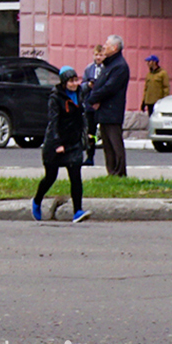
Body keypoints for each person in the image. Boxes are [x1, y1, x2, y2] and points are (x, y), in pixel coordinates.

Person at [32, 67, 91, 223]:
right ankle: (37, 201)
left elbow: (83, 116)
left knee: (76, 177)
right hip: (56, 144)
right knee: (51, 177)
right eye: (71, 81)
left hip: (74, 142)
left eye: (76, 80)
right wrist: (57, 143)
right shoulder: (55, 98)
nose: (74, 84)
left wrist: (87, 136)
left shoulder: (80, 93)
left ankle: (77, 211)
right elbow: (54, 122)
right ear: (64, 83)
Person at [87, 36, 130, 177]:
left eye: (107, 45)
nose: (104, 47)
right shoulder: (109, 64)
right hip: (104, 110)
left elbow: (109, 88)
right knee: (107, 145)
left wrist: (93, 97)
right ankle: (111, 172)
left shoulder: (120, 66)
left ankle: (119, 173)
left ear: (115, 48)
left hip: (112, 110)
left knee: (114, 142)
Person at [81, 45, 105, 165]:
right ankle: (90, 156)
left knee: (105, 132)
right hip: (90, 106)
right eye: (96, 55)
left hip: (103, 106)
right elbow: (82, 86)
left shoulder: (107, 68)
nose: (98, 57)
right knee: (91, 132)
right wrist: (88, 85)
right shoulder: (89, 69)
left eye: (101, 55)